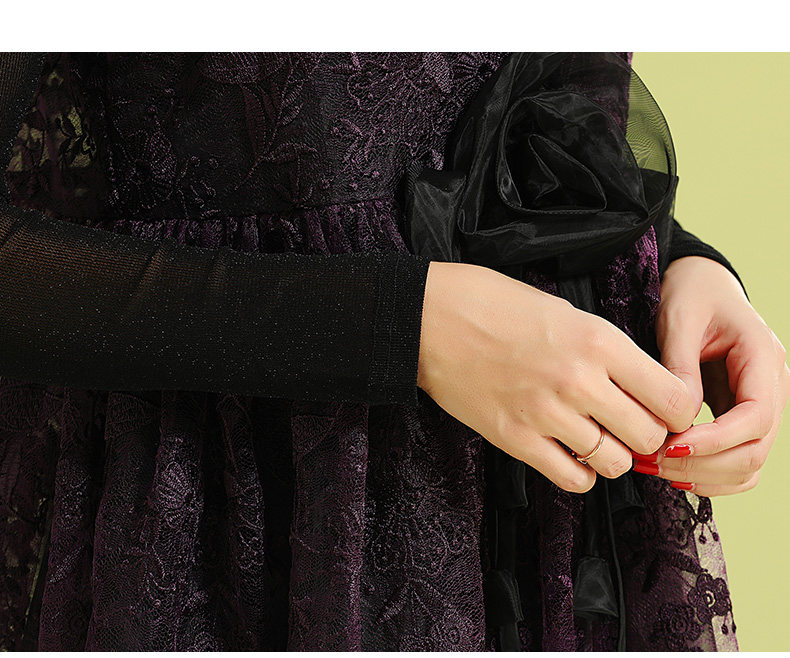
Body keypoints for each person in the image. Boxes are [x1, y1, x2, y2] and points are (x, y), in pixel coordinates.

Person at [0, 52, 787, 651]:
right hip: (257, 522)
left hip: (557, 534)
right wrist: (400, 325)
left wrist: (687, 264)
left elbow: (536, 111)